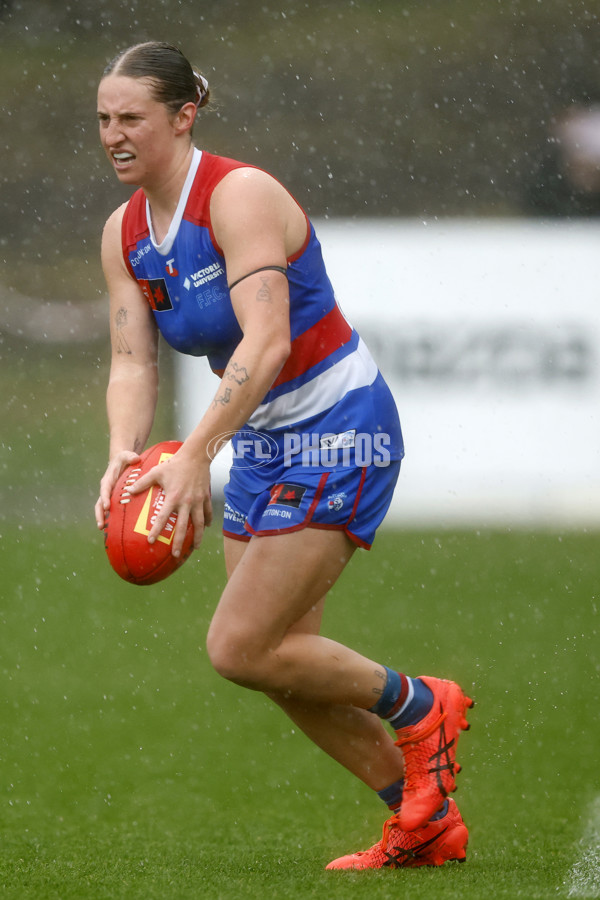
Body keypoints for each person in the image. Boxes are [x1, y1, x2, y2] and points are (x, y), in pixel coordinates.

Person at [94, 41, 473, 870]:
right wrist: (125, 454)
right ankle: (425, 824)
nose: (114, 135)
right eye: (103, 119)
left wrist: (195, 452)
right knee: (278, 663)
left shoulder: (239, 196)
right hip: (265, 444)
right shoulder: (124, 234)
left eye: (132, 118)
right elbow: (132, 361)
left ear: (183, 115)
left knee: (239, 647)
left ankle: (422, 704)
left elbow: (267, 343)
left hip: (343, 425)